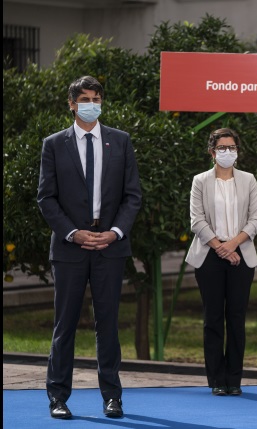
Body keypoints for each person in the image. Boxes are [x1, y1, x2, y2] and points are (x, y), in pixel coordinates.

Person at [37, 76, 142, 419]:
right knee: (65, 324)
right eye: (84, 99)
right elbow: (46, 198)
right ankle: (58, 397)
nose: (91, 104)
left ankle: (112, 397)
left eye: (96, 98)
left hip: (110, 247)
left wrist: (114, 232)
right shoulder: (54, 144)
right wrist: (73, 233)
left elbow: (132, 196)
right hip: (70, 248)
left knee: (108, 324)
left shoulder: (120, 141)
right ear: (72, 104)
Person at [185, 128, 257, 397]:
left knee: (237, 318)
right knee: (213, 318)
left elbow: (256, 220)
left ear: (237, 151)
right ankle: (217, 379)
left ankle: (234, 379)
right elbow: (196, 221)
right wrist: (220, 247)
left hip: (241, 254)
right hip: (209, 255)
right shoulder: (200, 181)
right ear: (212, 152)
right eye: (222, 148)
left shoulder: (249, 180)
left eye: (232, 148)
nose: (227, 152)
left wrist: (233, 245)